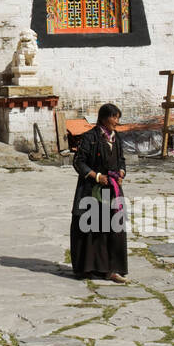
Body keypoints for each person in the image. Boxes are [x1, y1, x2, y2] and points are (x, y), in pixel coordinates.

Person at [69, 103, 129, 283]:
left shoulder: (116, 138)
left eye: (118, 118)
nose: (116, 122)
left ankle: (112, 269)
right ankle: (89, 268)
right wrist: (96, 176)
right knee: (91, 229)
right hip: (92, 190)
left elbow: (121, 161)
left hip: (112, 190)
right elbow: (79, 162)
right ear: (103, 118)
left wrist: (121, 173)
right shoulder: (90, 138)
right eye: (114, 117)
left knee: (113, 227)